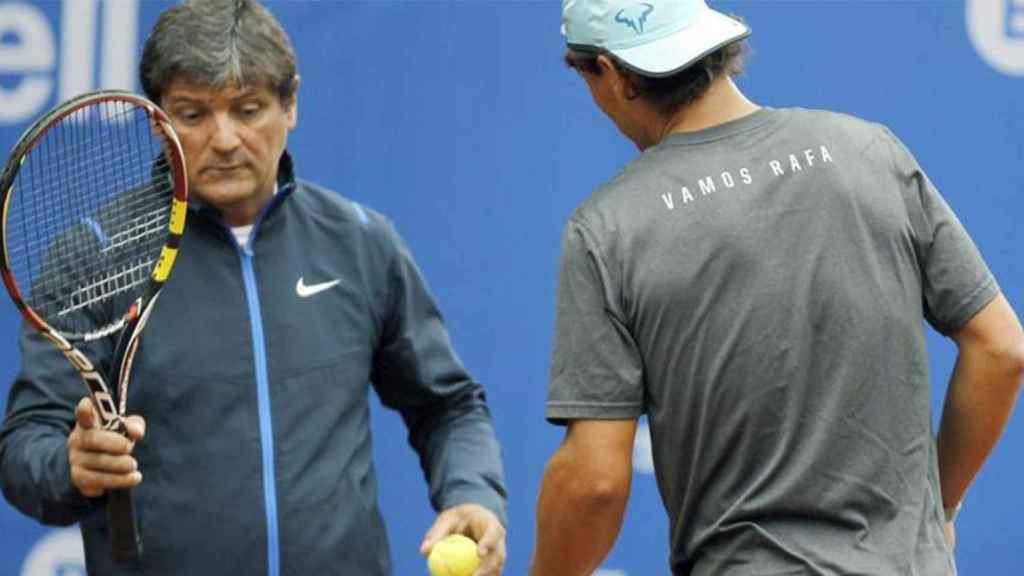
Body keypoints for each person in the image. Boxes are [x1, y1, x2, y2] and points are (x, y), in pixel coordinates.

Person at [0, 1, 507, 574]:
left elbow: (448, 406)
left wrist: (472, 492)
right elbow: (25, 449)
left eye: (248, 109)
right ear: (156, 119)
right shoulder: (91, 258)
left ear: (290, 105)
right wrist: (68, 468)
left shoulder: (362, 243)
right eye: (192, 115)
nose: (224, 139)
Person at [530, 0, 1024, 574]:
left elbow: (593, 482)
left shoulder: (605, 231)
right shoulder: (870, 152)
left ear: (611, 74)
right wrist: (936, 513)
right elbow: (1002, 350)